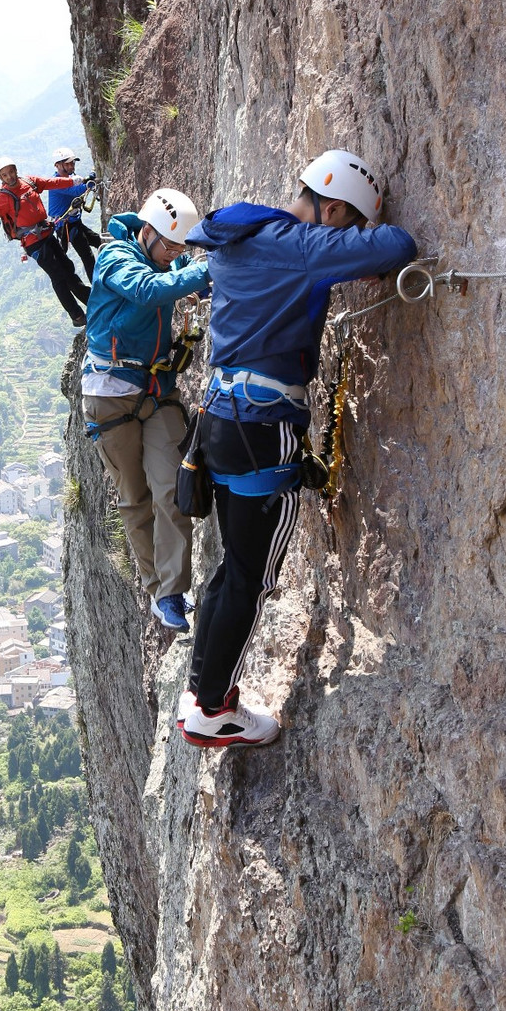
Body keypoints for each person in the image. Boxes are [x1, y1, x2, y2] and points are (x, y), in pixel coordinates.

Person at [179, 149, 418, 748]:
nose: (346, 236)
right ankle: (213, 710)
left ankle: (199, 687)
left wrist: (337, 257)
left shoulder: (242, 234)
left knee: (231, 565)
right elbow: (397, 246)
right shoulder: (298, 245)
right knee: (250, 578)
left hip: (219, 422)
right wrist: (352, 250)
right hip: (263, 431)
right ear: (333, 206)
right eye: (347, 224)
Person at [82, 187, 210, 632]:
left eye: (181, 247)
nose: (176, 253)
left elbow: (173, 273)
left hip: (156, 388)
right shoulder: (115, 257)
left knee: (174, 484)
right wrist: (199, 274)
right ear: (149, 232)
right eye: (171, 244)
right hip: (111, 390)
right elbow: (146, 290)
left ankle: (174, 589)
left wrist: (195, 271)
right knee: (135, 499)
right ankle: (157, 589)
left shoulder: (162, 256)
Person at [0, 157, 91, 326]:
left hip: (46, 233)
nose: (9, 177)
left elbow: (52, 182)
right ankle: (77, 316)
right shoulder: (3, 198)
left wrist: (75, 181)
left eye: (11, 172)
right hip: (33, 242)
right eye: (4, 175)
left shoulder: (29, 182)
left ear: (16, 170)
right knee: (58, 276)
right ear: (1, 178)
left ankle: (92, 301)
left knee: (67, 268)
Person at [46, 146, 102, 280]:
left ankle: (101, 283)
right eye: (68, 163)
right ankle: (97, 288)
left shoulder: (69, 177)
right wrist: (91, 183)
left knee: (99, 242)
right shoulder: (56, 182)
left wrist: (89, 178)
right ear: (58, 165)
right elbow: (76, 191)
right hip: (67, 226)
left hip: (74, 223)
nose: (72, 165)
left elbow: (78, 182)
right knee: (87, 256)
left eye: (73, 162)